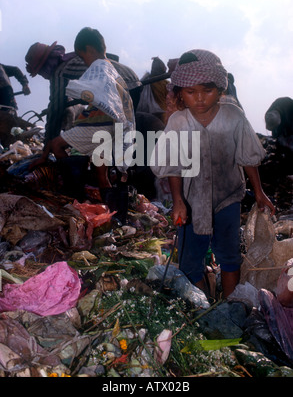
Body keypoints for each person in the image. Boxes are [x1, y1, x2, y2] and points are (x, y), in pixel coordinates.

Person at [151, 49, 275, 298]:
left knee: (229, 256)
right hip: (191, 201)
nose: (199, 98)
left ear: (219, 89)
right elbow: (173, 166)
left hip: (227, 198)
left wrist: (259, 193)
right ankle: (203, 304)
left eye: (207, 91)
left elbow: (247, 157)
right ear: (181, 94)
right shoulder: (178, 122)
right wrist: (178, 203)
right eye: (190, 92)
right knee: (189, 262)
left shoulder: (233, 117)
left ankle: (228, 303)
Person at [41, 27, 136, 223]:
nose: (83, 61)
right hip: (116, 126)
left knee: (57, 145)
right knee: (101, 172)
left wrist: (76, 91)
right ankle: (116, 217)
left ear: (89, 49)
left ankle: (76, 198)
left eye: (82, 56)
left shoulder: (97, 67)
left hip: (100, 125)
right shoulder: (111, 68)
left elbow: (88, 95)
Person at [25, 37, 140, 167]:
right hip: (131, 80)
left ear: (46, 65)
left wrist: (45, 152)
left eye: (40, 71)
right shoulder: (74, 61)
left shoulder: (60, 71)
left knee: (111, 137)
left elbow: (55, 110)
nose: (42, 75)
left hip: (123, 87)